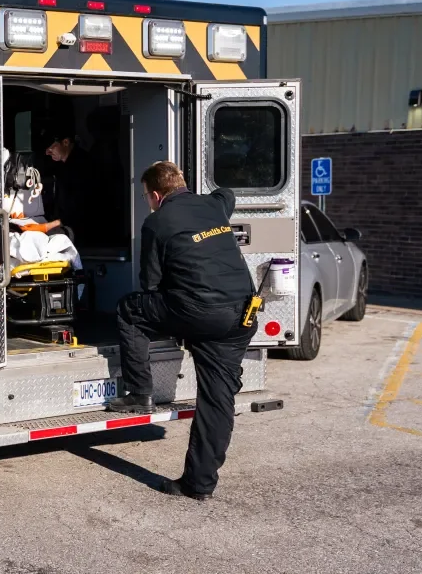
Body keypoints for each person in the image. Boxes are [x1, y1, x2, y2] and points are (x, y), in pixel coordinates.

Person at [107, 161, 258, 501]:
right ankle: (198, 484)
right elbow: (227, 193)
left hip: (201, 314)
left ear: (156, 195)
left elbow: (150, 284)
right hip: (241, 316)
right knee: (218, 402)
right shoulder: (214, 205)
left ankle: (139, 392)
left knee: (130, 310)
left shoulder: (157, 222)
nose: (147, 202)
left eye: (147, 196)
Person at [37, 122, 95, 244]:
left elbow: (79, 206)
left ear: (66, 142)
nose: (48, 152)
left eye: (51, 147)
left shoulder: (82, 165)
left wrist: (50, 225)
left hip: (83, 230)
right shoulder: (62, 165)